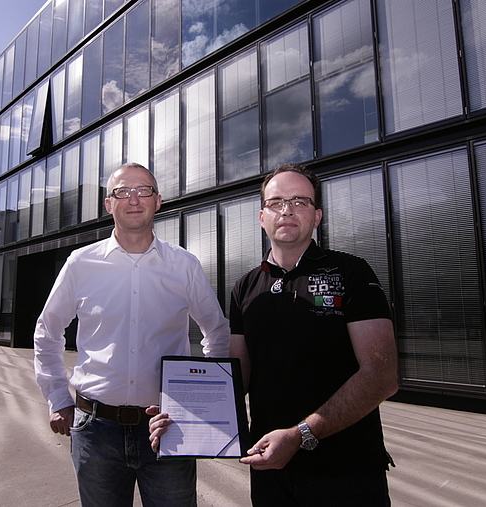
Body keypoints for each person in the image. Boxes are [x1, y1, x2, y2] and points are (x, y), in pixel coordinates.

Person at [33, 162, 230, 507]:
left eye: (144, 191)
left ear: (158, 201)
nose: (134, 199)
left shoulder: (184, 265)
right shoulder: (81, 264)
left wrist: (204, 401)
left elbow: (216, 331)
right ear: (109, 204)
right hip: (95, 431)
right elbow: (48, 331)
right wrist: (57, 397)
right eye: (122, 191)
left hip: (168, 429)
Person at [229, 163, 399, 506]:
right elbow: (236, 377)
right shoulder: (244, 287)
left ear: (317, 216)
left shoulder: (351, 272)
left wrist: (300, 434)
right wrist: (184, 408)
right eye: (276, 202)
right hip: (269, 468)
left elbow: (382, 376)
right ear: (262, 217)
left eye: (300, 201)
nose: (287, 210)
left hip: (347, 471)